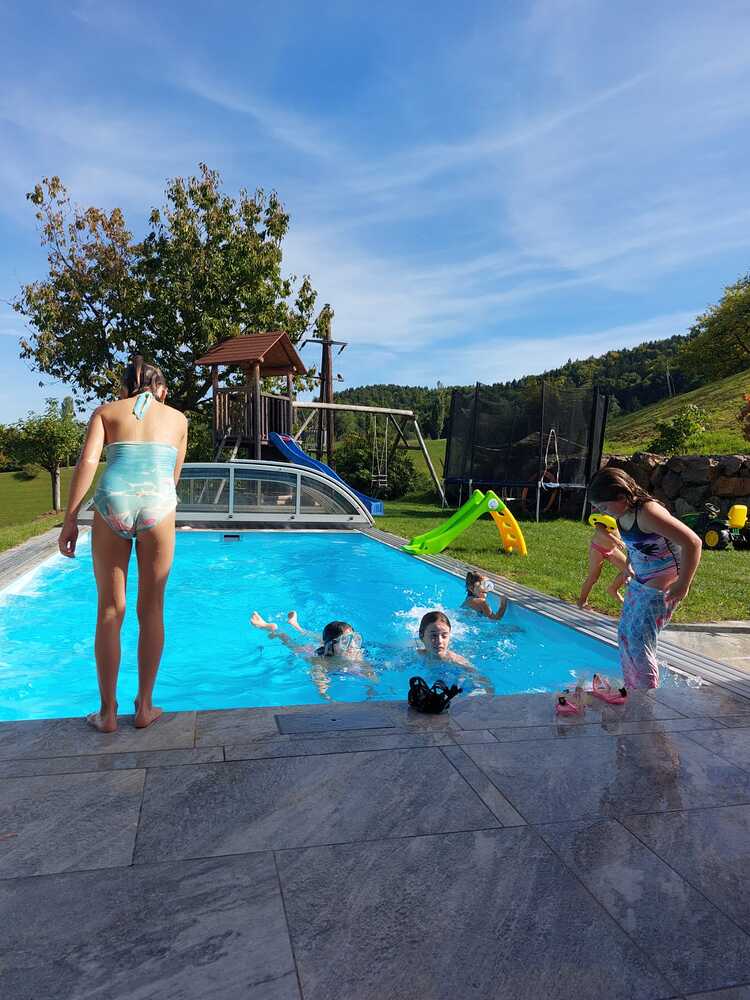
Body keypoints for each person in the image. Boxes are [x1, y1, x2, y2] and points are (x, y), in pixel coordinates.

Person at [58, 355, 188, 732]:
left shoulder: (106, 411)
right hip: (157, 502)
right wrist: (155, 505)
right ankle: (144, 707)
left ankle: (107, 713)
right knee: (152, 609)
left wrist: (70, 519)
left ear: (126, 387)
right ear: (161, 389)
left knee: (110, 610)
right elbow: (172, 477)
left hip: (113, 498)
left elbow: (88, 462)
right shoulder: (178, 419)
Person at [588, 466, 702, 689]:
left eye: (604, 506)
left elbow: (693, 542)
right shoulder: (622, 514)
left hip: (663, 582)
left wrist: (683, 584)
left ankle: (647, 695)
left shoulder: (648, 513)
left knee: (640, 641)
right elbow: (636, 544)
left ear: (622, 497)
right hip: (641, 579)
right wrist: (629, 564)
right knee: (625, 634)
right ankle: (634, 687)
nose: (603, 512)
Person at [250, 612, 378, 700]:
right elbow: (320, 682)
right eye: (346, 641)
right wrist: (325, 695)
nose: (352, 645)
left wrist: (371, 687)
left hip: (328, 644)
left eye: (354, 639)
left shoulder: (356, 654)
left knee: (318, 637)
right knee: (294, 645)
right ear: (331, 645)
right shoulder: (322, 661)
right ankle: (270, 628)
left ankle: (296, 625)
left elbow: (371, 675)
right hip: (313, 651)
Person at [417, 610, 495, 695]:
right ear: (421, 635)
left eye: (444, 636)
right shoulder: (417, 655)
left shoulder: (456, 661)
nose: (439, 641)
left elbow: (486, 683)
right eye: (434, 635)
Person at [578, 514, 631, 609]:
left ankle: (613, 589)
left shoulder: (623, 514)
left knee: (628, 570)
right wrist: (616, 540)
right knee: (593, 577)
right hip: (598, 549)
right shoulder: (606, 512)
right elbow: (599, 528)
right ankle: (582, 601)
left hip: (612, 549)